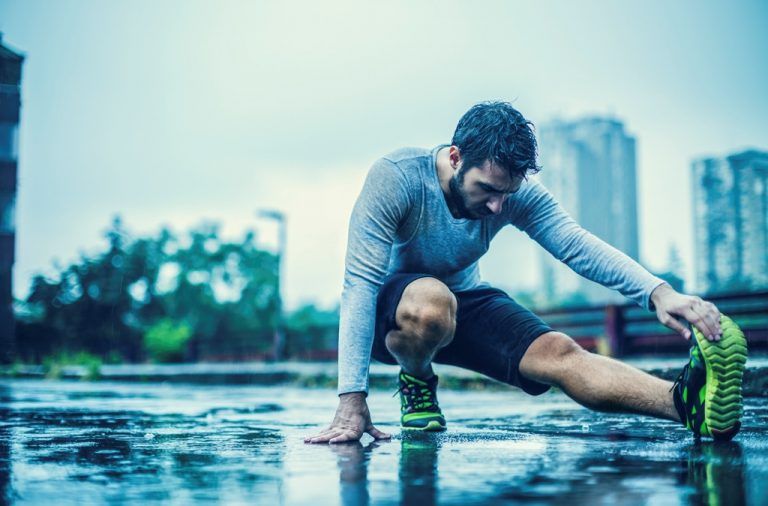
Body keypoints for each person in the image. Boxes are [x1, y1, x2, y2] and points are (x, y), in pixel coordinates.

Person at [304, 101, 747, 445]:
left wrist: (658, 292)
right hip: (396, 314)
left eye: (508, 194)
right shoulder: (397, 177)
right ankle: (418, 378)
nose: (498, 207)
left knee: (559, 351)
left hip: (465, 299)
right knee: (430, 301)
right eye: (489, 191)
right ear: (456, 158)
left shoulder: (512, 190)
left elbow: (574, 243)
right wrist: (351, 400)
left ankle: (685, 403)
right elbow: (359, 284)